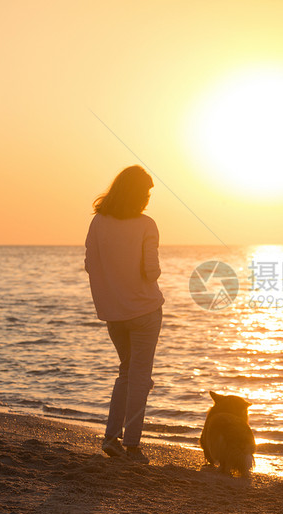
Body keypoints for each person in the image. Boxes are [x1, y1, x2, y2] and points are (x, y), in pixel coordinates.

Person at [85, 165, 164, 464]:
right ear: (136, 193)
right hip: (144, 310)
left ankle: (111, 438)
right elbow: (151, 270)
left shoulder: (98, 223)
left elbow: (91, 265)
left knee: (127, 372)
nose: (147, 198)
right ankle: (131, 445)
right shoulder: (146, 224)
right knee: (139, 376)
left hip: (114, 314)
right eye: (145, 192)